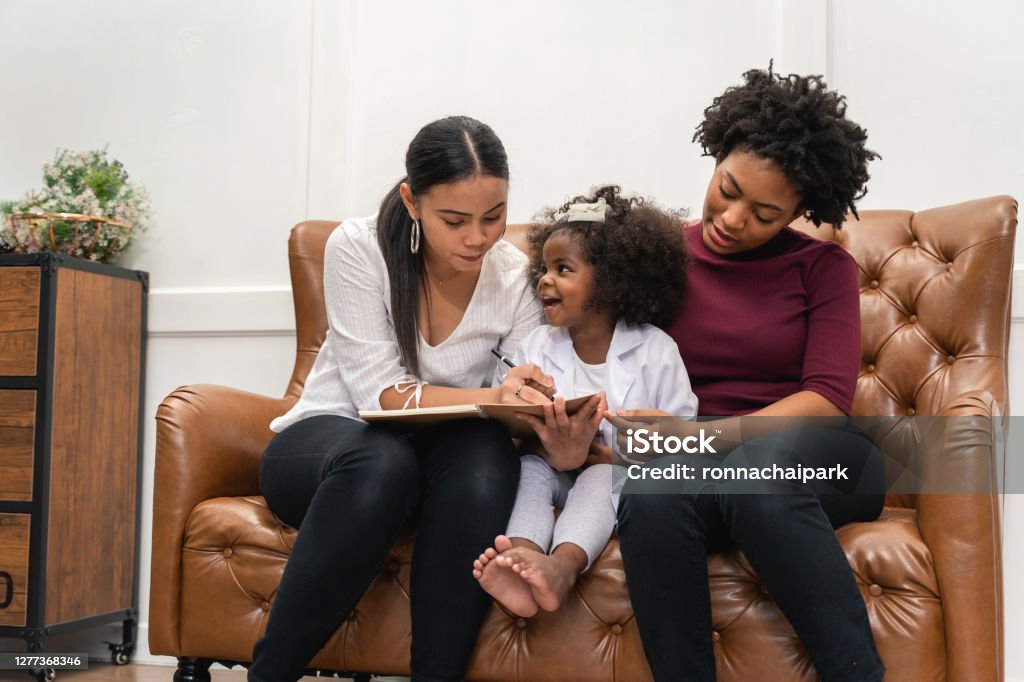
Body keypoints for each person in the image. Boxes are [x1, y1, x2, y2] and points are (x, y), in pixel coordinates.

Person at [249, 116, 596, 682]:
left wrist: (541, 409)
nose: (478, 238)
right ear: (412, 200)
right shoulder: (358, 248)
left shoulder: (514, 276)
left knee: (487, 452)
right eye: (455, 220)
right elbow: (379, 396)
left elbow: (515, 398)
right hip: (329, 450)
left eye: (494, 216)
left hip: (434, 465)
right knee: (382, 458)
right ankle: (271, 674)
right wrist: (493, 393)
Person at [607, 65, 887, 681]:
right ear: (715, 155)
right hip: (703, 466)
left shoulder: (823, 268)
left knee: (752, 476)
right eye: (727, 189)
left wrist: (704, 438)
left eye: (766, 214)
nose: (734, 219)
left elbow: (826, 400)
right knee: (652, 498)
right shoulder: (658, 259)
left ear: (800, 209)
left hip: (823, 457)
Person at [471, 185, 698, 618]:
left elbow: (681, 435)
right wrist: (540, 437)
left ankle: (561, 566)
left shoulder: (655, 350)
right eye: (543, 267)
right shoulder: (535, 346)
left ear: (611, 283)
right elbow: (508, 427)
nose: (544, 279)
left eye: (563, 269)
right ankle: (522, 560)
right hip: (547, 467)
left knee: (600, 478)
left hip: (613, 474)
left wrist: (619, 452)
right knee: (529, 472)